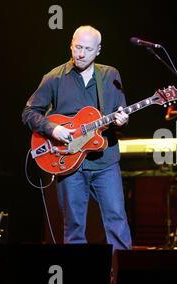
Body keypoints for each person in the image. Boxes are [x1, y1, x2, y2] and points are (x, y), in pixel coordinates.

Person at [22, 25, 132, 251]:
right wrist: (52, 129)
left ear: (98, 51)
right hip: (69, 162)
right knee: (74, 226)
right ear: (71, 45)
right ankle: (78, 281)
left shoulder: (110, 75)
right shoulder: (54, 78)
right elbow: (29, 112)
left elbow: (120, 112)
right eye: (78, 47)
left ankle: (122, 281)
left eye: (88, 49)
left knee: (117, 221)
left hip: (105, 160)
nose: (81, 54)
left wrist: (123, 119)